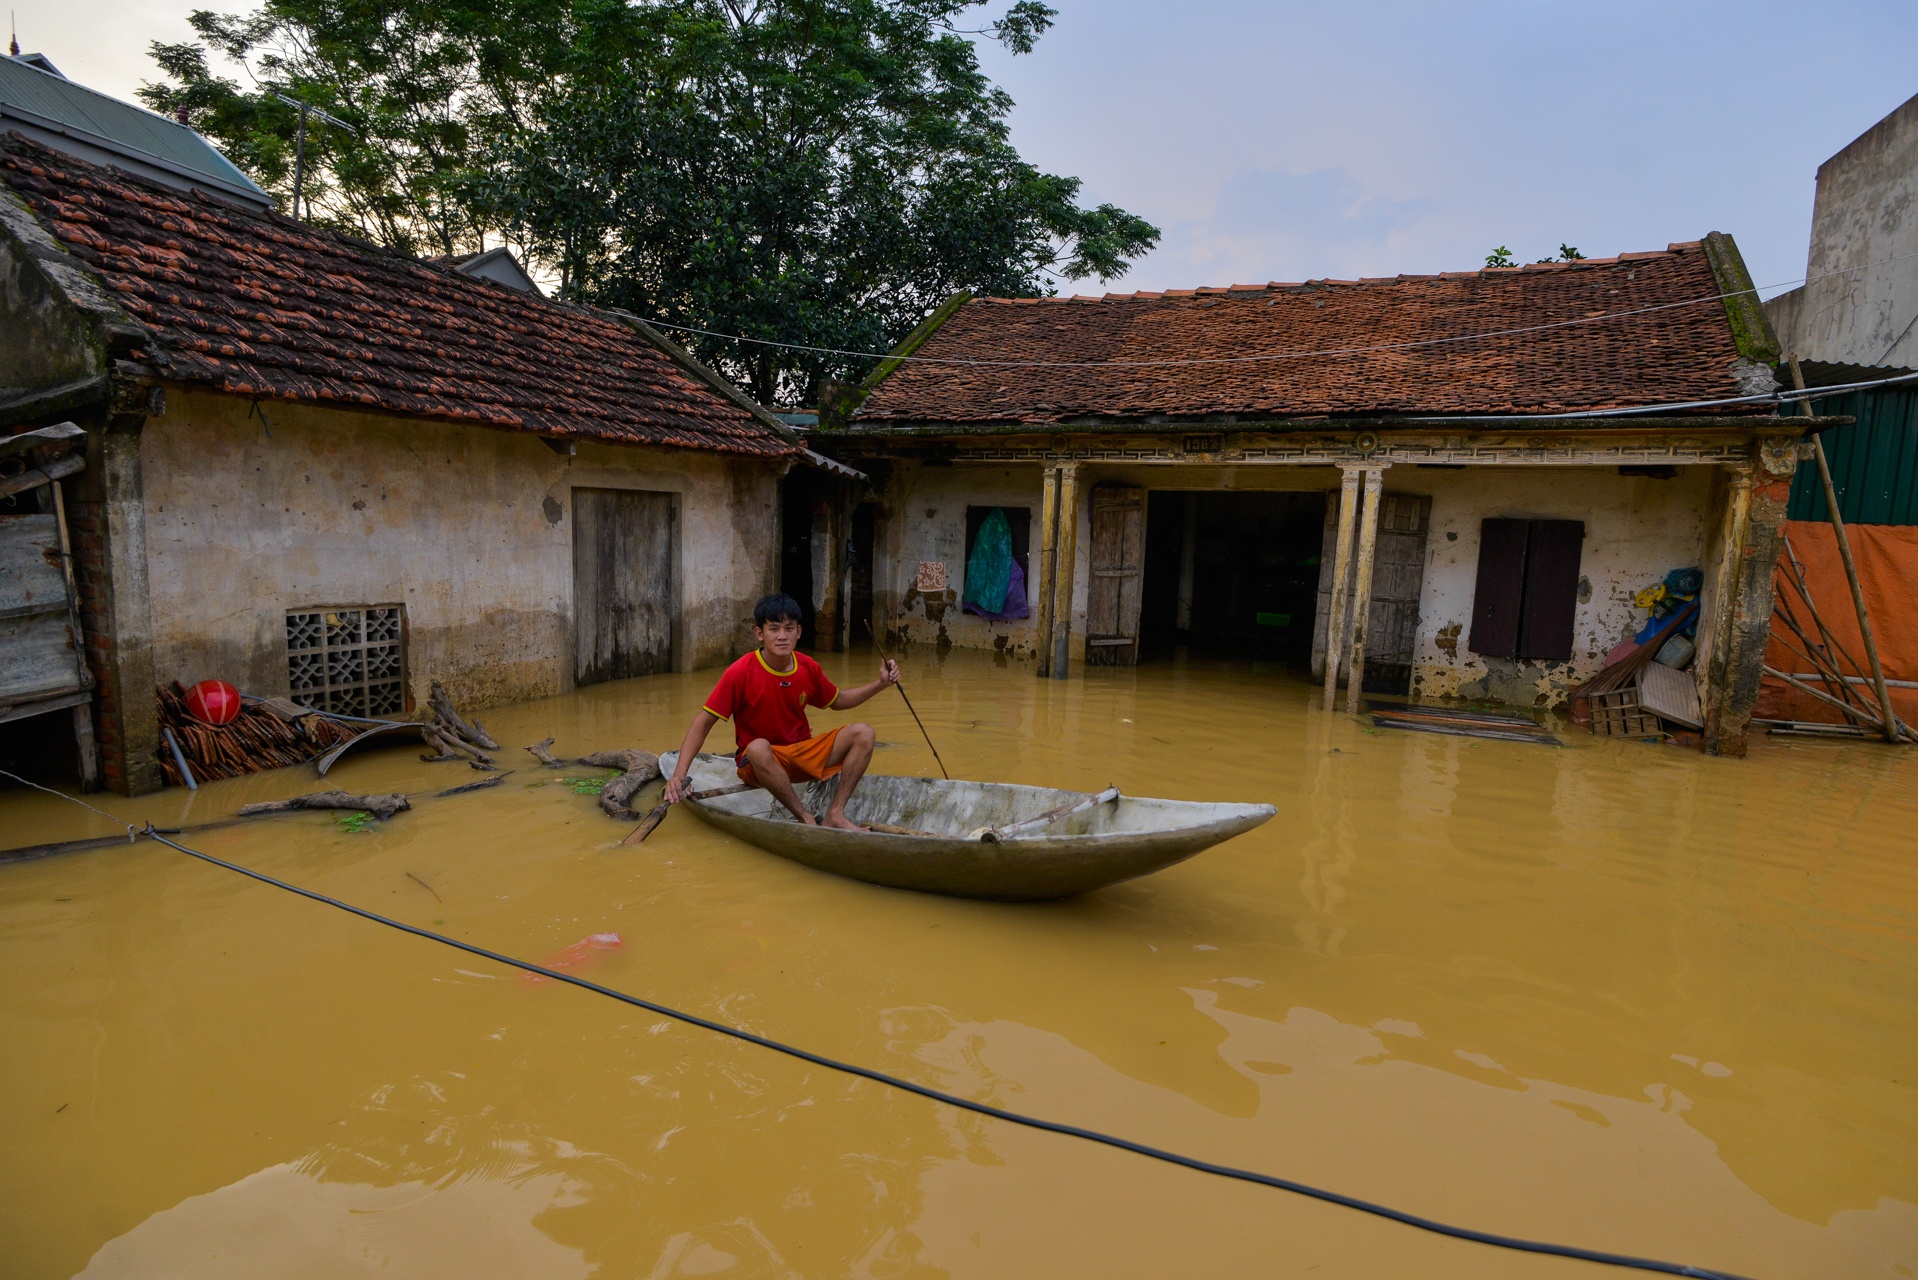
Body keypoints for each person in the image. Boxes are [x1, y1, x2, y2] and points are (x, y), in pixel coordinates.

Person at [663, 593, 898, 830]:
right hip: (757, 764)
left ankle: (835, 814)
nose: (782, 636)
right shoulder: (740, 672)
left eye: (789, 628)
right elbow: (703, 723)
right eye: (774, 629)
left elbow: (837, 700)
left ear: (799, 632)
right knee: (757, 747)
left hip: (799, 754)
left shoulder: (807, 667)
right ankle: (804, 816)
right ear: (759, 634)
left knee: (863, 733)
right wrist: (679, 775)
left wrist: (880, 684)